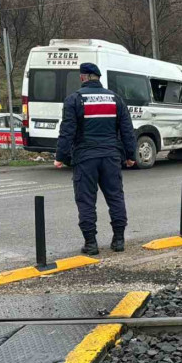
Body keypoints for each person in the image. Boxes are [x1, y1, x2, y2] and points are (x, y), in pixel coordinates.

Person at [54, 63, 136, 255]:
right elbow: (127, 130)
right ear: (98, 77)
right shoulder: (115, 99)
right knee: (115, 198)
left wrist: (60, 157)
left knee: (86, 201)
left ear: (83, 77)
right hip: (111, 156)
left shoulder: (74, 99)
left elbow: (67, 131)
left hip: (85, 158)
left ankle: (91, 244)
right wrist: (131, 155)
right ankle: (118, 240)